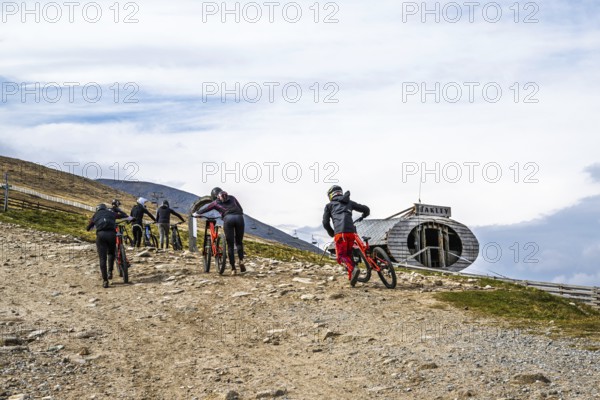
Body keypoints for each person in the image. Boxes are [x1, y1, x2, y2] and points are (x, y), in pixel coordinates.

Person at [322, 185, 370, 287]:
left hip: (340, 233)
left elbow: (325, 223)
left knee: (341, 257)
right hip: (352, 233)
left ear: (331, 195)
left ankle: (354, 269)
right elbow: (365, 208)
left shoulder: (329, 206)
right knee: (348, 255)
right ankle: (351, 277)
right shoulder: (349, 202)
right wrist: (365, 214)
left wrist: (331, 233)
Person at [192, 187, 245, 274]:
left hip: (228, 219)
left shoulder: (216, 202)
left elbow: (205, 209)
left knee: (230, 245)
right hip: (239, 218)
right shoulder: (232, 197)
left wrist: (196, 214)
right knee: (239, 242)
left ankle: (233, 269)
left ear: (215, 196)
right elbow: (241, 209)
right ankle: (241, 260)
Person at [86, 203, 130, 288]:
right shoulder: (111, 213)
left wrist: (92, 226)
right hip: (111, 234)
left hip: (101, 235)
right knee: (111, 253)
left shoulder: (95, 215)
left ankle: (105, 281)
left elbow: (88, 228)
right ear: (105, 208)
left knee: (102, 258)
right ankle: (110, 271)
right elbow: (123, 215)